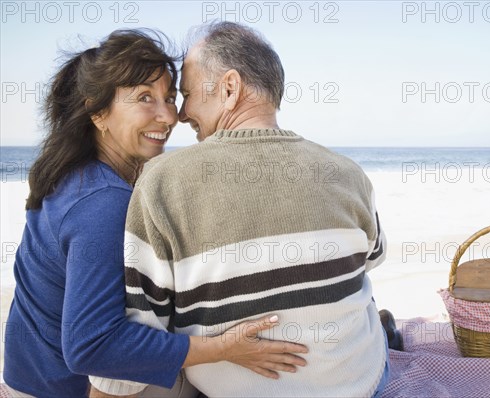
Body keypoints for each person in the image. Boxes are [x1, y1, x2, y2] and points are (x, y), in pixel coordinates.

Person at [91, 21, 398, 397]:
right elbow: (372, 258)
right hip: (362, 384)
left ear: (230, 88)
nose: (182, 114)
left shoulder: (161, 182)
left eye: (187, 93)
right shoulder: (348, 173)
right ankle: (383, 333)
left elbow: (140, 339)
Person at [3, 29, 308, 398]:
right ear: (98, 113)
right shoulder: (104, 203)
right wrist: (225, 348)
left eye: (169, 97)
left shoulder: (74, 175)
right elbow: (92, 346)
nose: (168, 117)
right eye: (145, 98)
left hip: (30, 377)